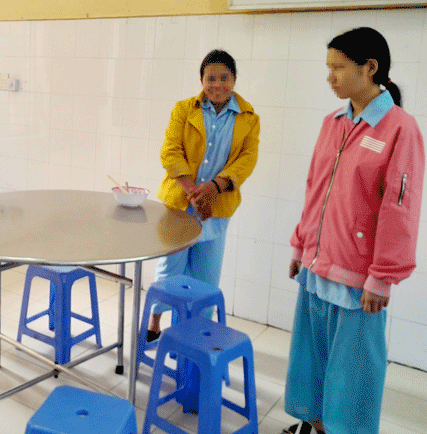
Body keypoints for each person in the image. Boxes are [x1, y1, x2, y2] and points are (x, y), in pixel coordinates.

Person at [284, 27, 424, 434]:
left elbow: (400, 209)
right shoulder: (334, 122)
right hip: (316, 264)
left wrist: (382, 277)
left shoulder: (401, 129)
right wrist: (300, 243)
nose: (330, 77)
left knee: (354, 372)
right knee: (312, 358)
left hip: (358, 277)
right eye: (329, 67)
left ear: (370, 68)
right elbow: (315, 188)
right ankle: (315, 424)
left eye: (338, 68)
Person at [149, 49, 260, 339]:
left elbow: (246, 161)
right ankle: (155, 322)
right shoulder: (184, 109)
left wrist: (213, 189)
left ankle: (191, 332)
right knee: (170, 268)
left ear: (234, 80)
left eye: (224, 78)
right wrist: (195, 194)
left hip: (218, 208)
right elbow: (170, 152)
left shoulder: (249, 118)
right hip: (178, 204)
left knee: (206, 276)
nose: (217, 85)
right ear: (201, 80)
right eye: (210, 79)